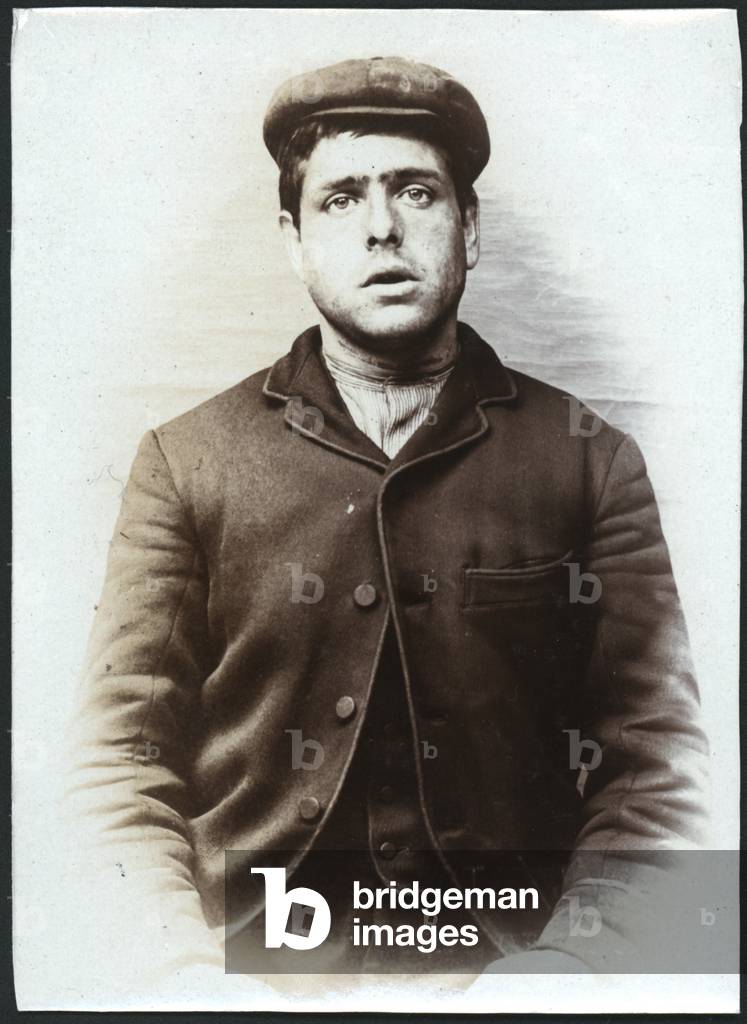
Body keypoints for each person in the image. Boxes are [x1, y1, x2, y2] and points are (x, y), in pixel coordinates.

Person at [67, 56, 708, 989]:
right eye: (339, 200)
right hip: (242, 978)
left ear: (469, 228)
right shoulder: (185, 460)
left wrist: (573, 971)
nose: (381, 229)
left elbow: (661, 771)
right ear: (292, 238)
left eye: (416, 191)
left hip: (513, 974)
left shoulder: (587, 459)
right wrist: (175, 974)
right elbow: (113, 767)